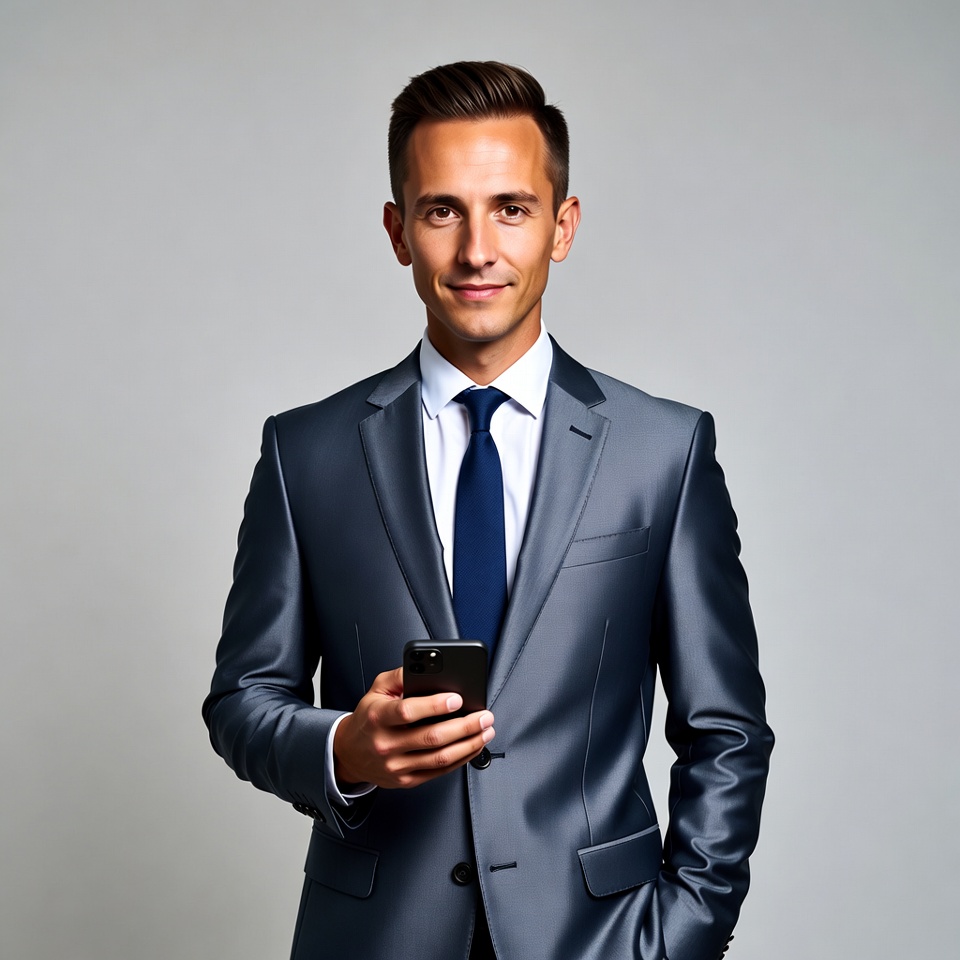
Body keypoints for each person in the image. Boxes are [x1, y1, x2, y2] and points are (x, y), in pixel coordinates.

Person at [203, 61, 773, 960]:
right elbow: (242, 701)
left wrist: (684, 934)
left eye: (511, 208)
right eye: (442, 211)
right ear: (398, 231)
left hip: (600, 938)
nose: (477, 250)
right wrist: (344, 748)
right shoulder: (304, 453)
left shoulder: (663, 451)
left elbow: (726, 730)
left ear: (562, 226)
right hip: (374, 938)